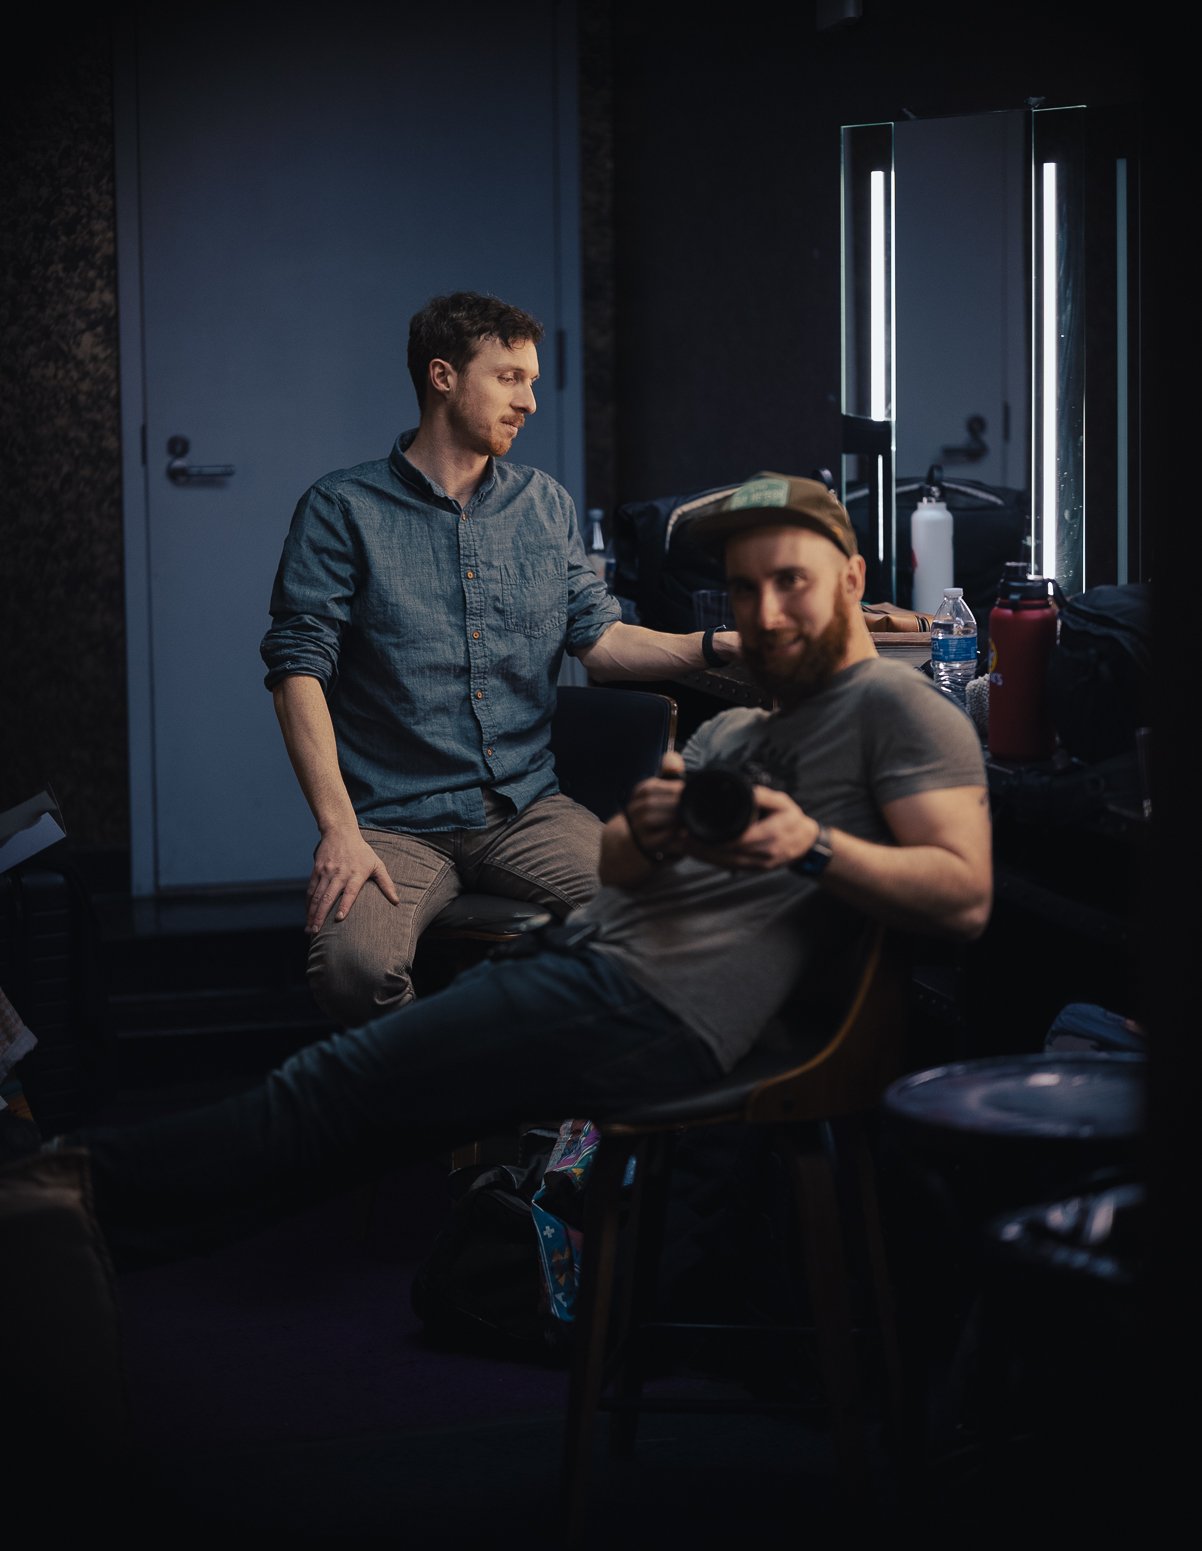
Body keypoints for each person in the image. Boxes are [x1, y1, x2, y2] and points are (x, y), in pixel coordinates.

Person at [71, 471, 991, 1270]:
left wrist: (811, 845)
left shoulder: (897, 708)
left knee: (330, 1093)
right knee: (348, 1122)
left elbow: (964, 899)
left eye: (792, 583)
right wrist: (652, 829)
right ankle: (87, 1243)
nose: (765, 613)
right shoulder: (740, 727)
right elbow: (624, 869)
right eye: (744, 592)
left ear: (854, 580)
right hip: (583, 959)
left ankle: (65, 1191)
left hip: (651, 1004)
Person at [260, 290, 742, 1027]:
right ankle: (442, 1119)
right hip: (393, 817)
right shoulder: (341, 509)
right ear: (443, 376)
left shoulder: (543, 505)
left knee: (671, 922)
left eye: (533, 381)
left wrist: (716, 645)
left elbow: (602, 641)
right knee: (356, 970)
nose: (531, 402)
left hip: (525, 808)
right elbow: (298, 670)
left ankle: (574, 1127)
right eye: (510, 378)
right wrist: (339, 829)